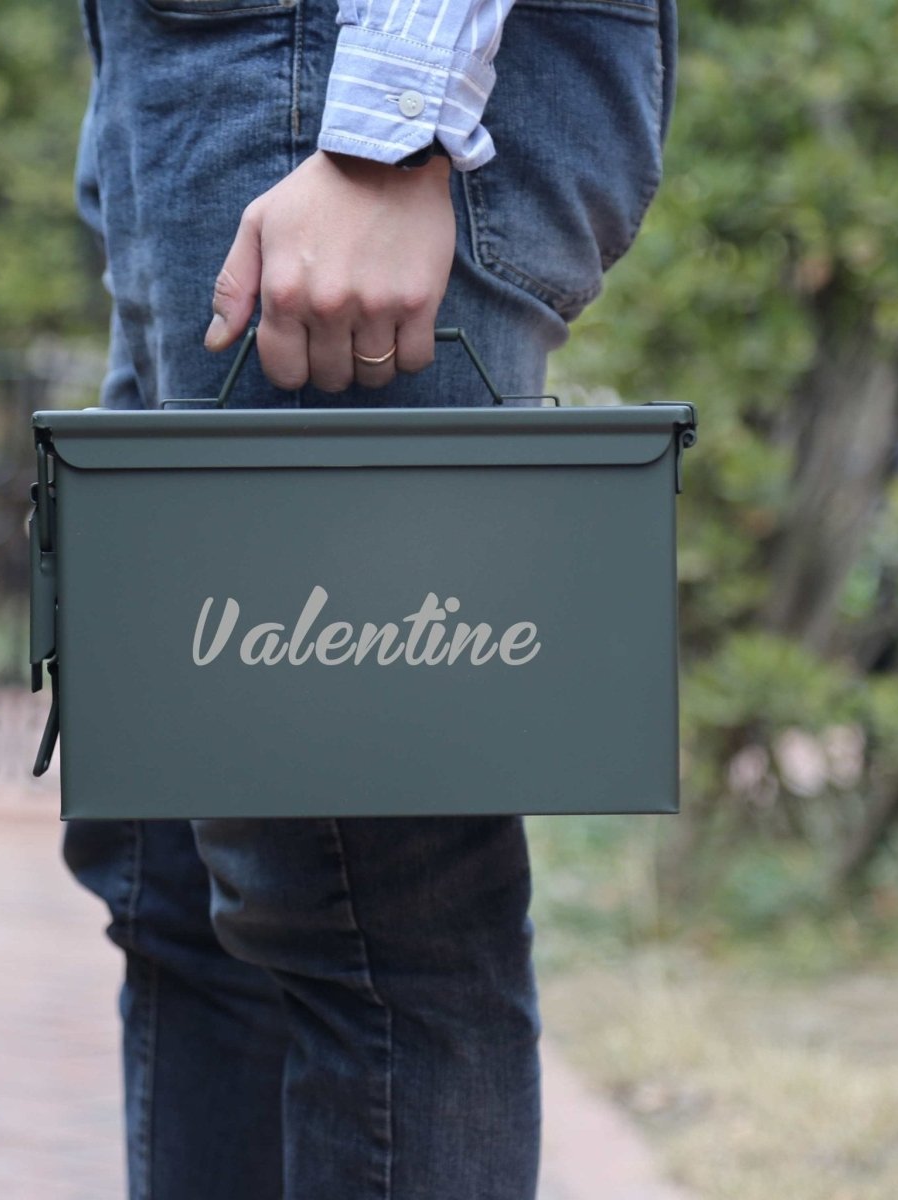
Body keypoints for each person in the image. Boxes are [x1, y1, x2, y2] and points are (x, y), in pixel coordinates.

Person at [62, 0, 676, 1196]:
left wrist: (392, 124)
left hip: (323, 82)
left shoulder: (367, 128)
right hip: (195, 91)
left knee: (365, 919)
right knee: (180, 890)